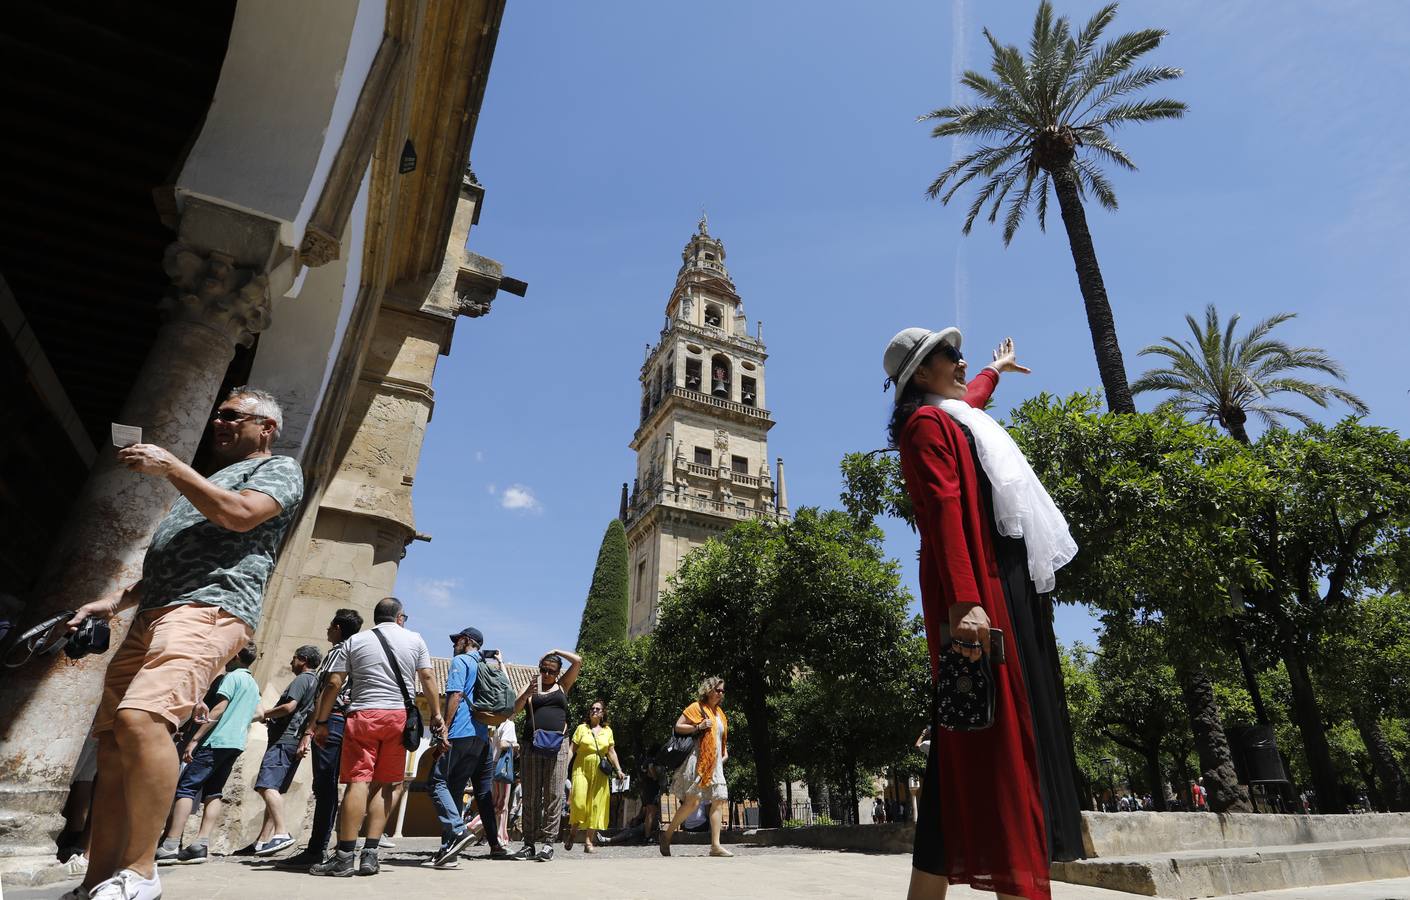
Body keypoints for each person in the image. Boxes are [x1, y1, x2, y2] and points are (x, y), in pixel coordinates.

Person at [63, 386, 303, 900]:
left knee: (142, 719)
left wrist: (173, 467)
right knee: (112, 744)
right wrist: (115, 603)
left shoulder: (279, 469)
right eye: (217, 414)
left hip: (210, 610)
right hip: (153, 612)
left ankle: (142, 870)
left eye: (232, 415)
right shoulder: (209, 479)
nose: (219, 422)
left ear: (266, 428)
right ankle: (97, 878)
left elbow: (240, 516)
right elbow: (178, 554)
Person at [885, 328, 1083, 900]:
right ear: (921, 374)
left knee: (964, 744)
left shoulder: (951, 416)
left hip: (997, 574)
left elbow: (971, 399)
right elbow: (944, 512)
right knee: (996, 739)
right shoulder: (925, 427)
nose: (960, 362)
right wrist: (966, 601)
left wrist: (997, 370)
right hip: (978, 584)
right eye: (950, 356)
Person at [309, 597, 442, 877]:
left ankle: (344, 856)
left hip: (363, 715)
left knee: (358, 781)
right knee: (385, 785)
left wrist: (321, 721)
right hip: (399, 719)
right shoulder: (415, 639)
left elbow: (334, 682)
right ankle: (370, 855)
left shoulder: (355, 642)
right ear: (399, 616)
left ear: (375, 616)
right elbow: (428, 677)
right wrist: (438, 714)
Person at [155, 642, 260, 865]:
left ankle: (170, 845)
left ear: (237, 657)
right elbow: (259, 713)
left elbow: (219, 708)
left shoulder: (232, 678)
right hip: (236, 743)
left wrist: (195, 739)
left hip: (216, 740)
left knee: (187, 787)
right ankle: (200, 844)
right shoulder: (252, 683)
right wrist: (238, 720)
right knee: (214, 792)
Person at [277, 608, 364, 869]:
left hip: (332, 720)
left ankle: (317, 849)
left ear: (337, 627)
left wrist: (314, 726)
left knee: (324, 787)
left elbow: (329, 688)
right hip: (343, 721)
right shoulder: (357, 651)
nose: (326, 629)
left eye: (329, 625)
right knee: (329, 787)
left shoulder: (339, 652)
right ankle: (327, 846)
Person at [427, 626, 509, 867]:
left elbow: (456, 695)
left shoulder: (461, 661)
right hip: (480, 735)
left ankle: (459, 830)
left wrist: (445, 728)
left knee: (435, 781)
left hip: (460, 730)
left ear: (466, 641)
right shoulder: (486, 664)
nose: (454, 645)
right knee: (453, 788)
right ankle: (447, 848)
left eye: (457, 640)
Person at [510, 648, 582, 861]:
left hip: (558, 746)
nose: (547, 674)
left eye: (551, 671)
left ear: (558, 672)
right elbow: (514, 709)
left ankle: (549, 843)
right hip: (531, 745)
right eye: (544, 669)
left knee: (554, 794)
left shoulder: (563, 686)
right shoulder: (532, 685)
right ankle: (529, 843)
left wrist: (555, 651)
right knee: (530, 795)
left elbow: (578, 661)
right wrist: (527, 694)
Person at [251, 644, 321, 855]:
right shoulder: (316, 682)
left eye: (294, 658)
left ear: (303, 660)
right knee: (276, 790)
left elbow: (289, 707)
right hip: (294, 740)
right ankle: (263, 841)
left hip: (284, 739)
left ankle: (281, 833)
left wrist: (266, 714)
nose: (291, 662)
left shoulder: (302, 679)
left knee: (266, 786)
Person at [659, 676, 732, 858]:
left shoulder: (720, 714)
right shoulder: (696, 707)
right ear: (708, 690)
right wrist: (698, 726)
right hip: (698, 761)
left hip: (715, 763)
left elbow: (720, 739)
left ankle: (715, 846)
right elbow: (678, 726)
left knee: (719, 799)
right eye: (718, 690)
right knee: (693, 802)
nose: (720, 693)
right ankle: (666, 835)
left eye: (723, 691)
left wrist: (724, 754)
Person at [564, 700, 625, 853]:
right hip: (581, 769)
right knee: (579, 802)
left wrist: (618, 769)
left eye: (598, 709)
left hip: (600, 772)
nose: (594, 711)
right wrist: (564, 766)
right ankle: (573, 832)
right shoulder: (581, 728)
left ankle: (588, 842)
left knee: (596, 805)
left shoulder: (607, 731)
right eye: (592, 708)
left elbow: (611, 752)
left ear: (603, 713)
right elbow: (572, 749)